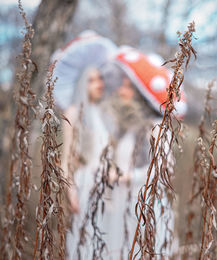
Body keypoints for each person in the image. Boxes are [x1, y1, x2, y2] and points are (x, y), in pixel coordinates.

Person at [101, 47, 187, 259]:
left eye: (127, 86)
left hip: (144, 207)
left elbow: (164, 171)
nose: (121, 91)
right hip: (122, 204)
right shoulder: (129, 127)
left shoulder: (156, 127)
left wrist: (124, 177)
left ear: (140, 93)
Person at [51, 30, 117, 259]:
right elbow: (66, 159)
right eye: (91, 80)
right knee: (86, 242)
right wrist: (71, 193)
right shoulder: (73, 112)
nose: (98, 84)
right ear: (81, 83)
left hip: (110, 187)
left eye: (99, 78)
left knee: (111, 242)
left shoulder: (105, 112)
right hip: (85, 185)